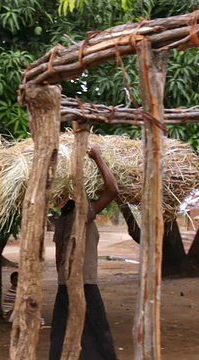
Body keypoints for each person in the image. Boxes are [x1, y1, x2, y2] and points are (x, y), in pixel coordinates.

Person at [49, 142, 119, 360]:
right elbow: (113, 190)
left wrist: (97, 157)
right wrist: (97, 157)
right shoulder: (73, 217)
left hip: (74, 283)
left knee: (73, 338)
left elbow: (59, 258)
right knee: (92, 339)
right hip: (79, 284)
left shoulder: (74, 217)